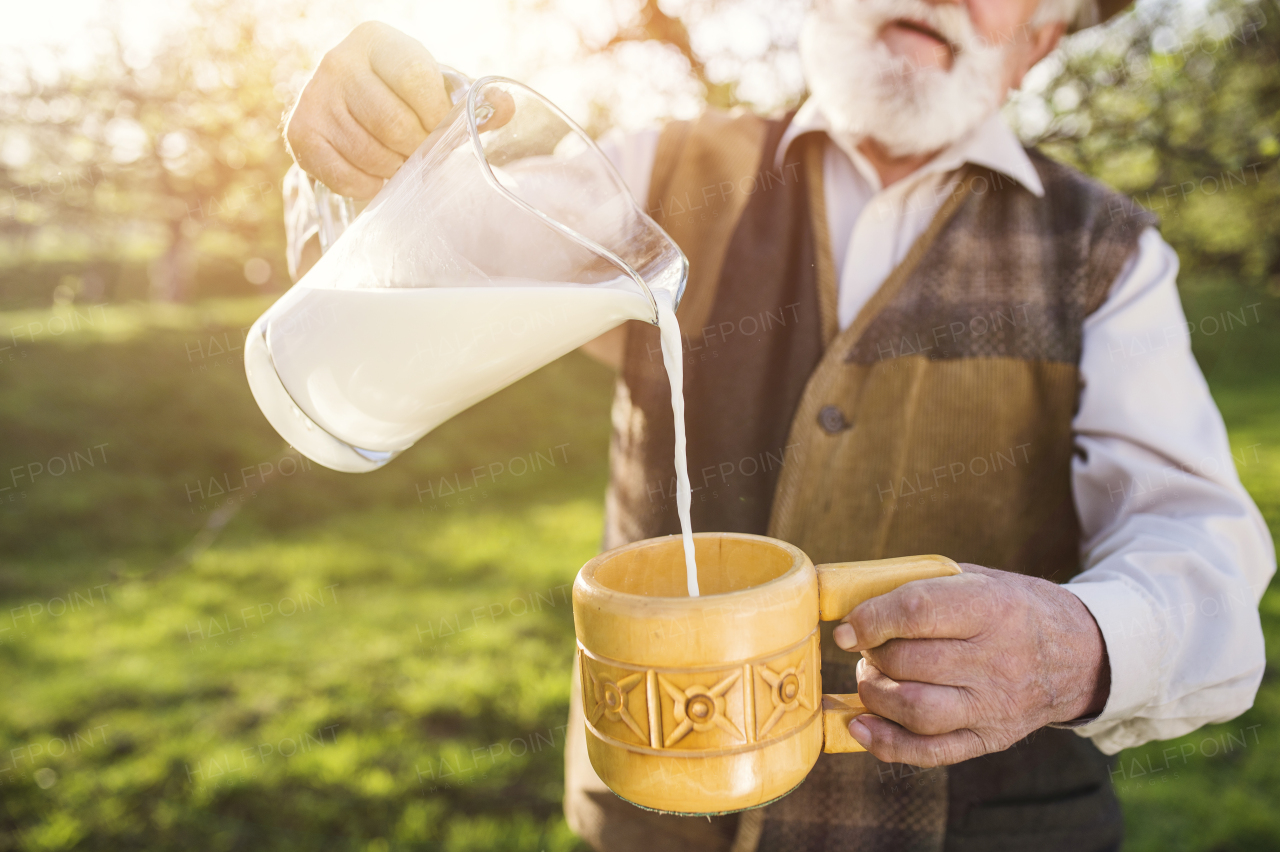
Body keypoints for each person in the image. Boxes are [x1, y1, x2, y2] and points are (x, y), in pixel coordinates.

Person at [281, 1, 1275, 849]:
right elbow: (420, 259)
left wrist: (1078, 644)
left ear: (1040, 44)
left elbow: (1201, 554)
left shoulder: (1103, 252)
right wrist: (374, 156)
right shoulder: (656, 172)